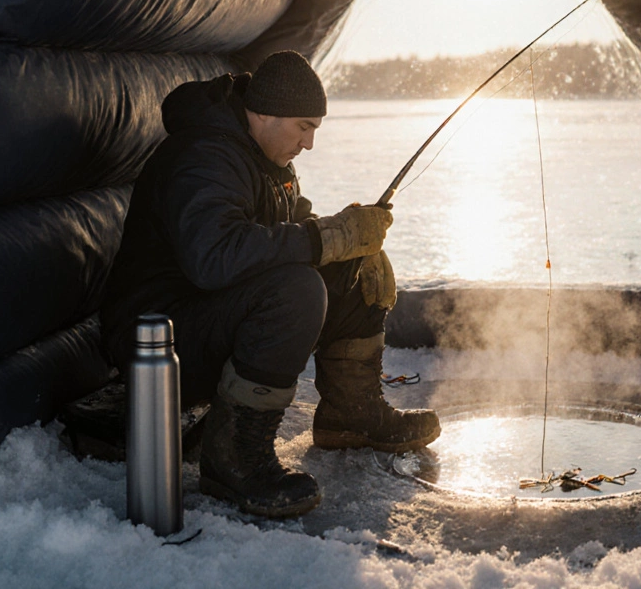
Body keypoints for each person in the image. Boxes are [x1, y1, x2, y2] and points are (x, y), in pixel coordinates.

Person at [101, 50, 440, 518]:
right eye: (304, 127)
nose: (309, 143)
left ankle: (351, 414)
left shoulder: (264, 154)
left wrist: (348, 243)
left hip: (205, 318)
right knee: (296, 290)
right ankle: (233, 458)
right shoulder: (204, 156)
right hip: (159, 343)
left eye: (314, 129)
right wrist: (324, 239)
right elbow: (213, 259)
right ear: (264, 113)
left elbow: (294, 229)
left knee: (350, 270)